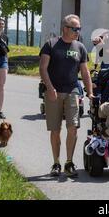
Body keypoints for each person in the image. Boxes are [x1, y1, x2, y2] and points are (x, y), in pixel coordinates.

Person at [39, 14, 93, 178]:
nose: (77, 31)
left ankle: (69, 163)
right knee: (55, 129)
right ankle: (56, 163)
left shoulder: (80, 47)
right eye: (74, 28)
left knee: (73, 127)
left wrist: (90, 92)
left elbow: (85, 72)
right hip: (53, 92)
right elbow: (43, 68)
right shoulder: (51, 44)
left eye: (79, 29)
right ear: (65, 28)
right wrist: (49, 88)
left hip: (72, 91)